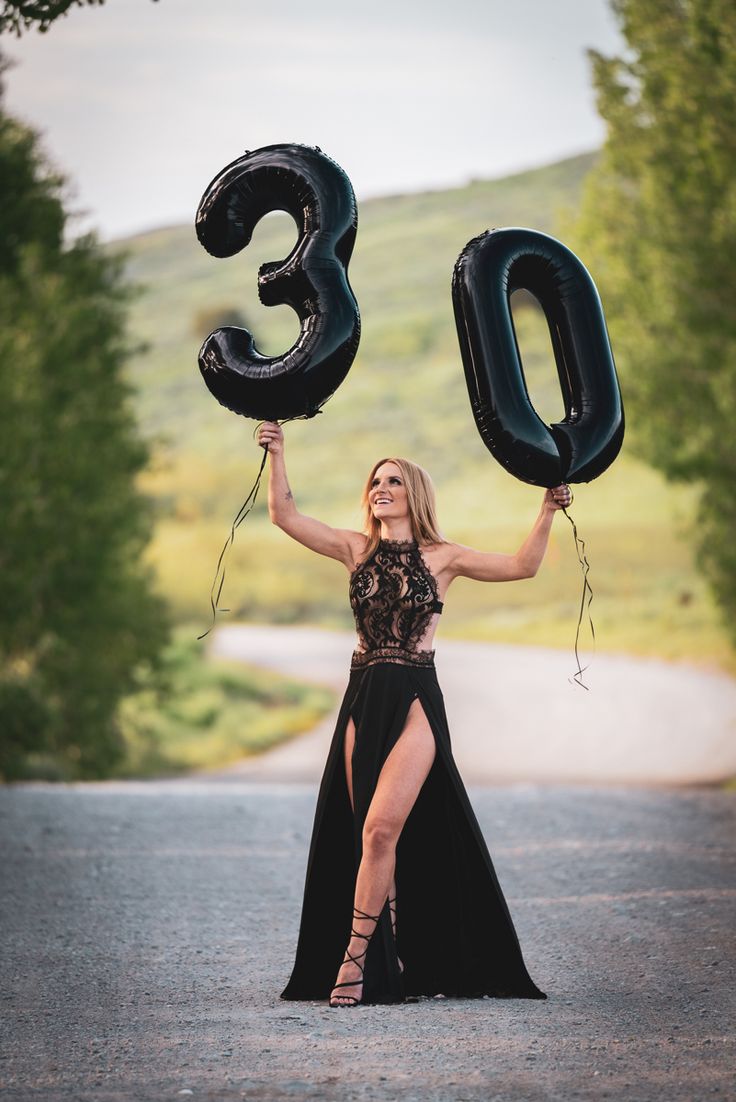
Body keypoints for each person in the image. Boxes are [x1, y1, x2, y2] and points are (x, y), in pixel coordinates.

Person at [256, 420, 571, 1008]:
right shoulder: (355, 548)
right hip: (363, 691)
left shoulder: (444, 557)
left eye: (393, 480)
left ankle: (354, 962)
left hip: (416, 696)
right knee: (361, 834)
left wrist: (547, 509)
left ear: (414, 493)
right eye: (375, 480)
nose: (381, 488)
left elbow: (522, 566)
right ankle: (395, 951)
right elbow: (285, 517)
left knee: (381, 828)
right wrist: (278, 452)